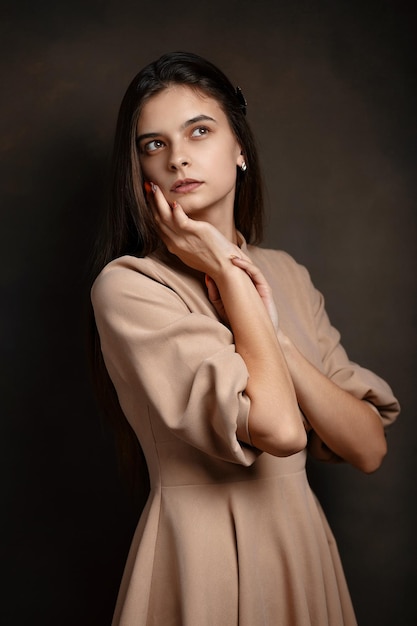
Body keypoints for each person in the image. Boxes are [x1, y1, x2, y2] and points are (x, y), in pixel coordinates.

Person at [90, 51, 400, 626]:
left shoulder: (287, 273)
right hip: (198, 555)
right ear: (140, 171)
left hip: (298, 547)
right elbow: (280, 430)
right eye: (153, 145)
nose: (178, 156)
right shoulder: (129, 287)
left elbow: (369, 448)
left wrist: (276, 339)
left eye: (199, 131)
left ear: (240, 149)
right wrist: (229, 273)